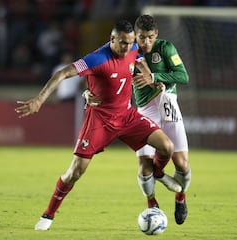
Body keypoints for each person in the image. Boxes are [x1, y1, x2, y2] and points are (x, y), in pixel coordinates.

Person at [15, 20, 177, 231]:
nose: (127, 47)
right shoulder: (96, 58)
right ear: (111, 39)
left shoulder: (134, 47)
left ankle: (157, 173)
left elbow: (138, 59)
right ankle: (48, 214)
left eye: (130, 43)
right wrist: (40, 99)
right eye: (122, 43)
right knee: (75, 171)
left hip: (127, 116)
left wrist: (149, 74)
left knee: (167, 147)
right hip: (100, 120)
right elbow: (63, 73)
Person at [133, 15, 191, 225]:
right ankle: (152, 204)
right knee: (144, 167)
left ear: (156, 35)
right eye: (141, 38)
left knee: (182, 165)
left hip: (168, 105)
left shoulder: (165, 48)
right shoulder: (128, 53)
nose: (146, 42)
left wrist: (156, 77)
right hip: (145, 111)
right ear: (135, 36)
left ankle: (180, 196)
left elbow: (183, 76)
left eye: (149, 37)